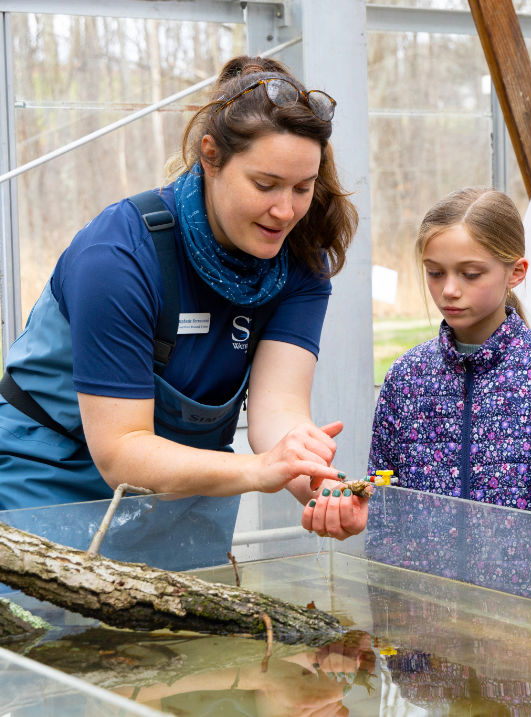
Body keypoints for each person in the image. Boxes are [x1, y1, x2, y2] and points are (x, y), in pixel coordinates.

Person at [0, 56, 367, 543]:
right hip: (52, 484)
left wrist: (313, 481)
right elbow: (122, 454)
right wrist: (261, 470)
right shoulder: (117, 256)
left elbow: (278, 408)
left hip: (186, 489)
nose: (286, 211)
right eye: (265, 185)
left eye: (303, 187)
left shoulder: (299, 258)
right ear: (210, 156)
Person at [369, 187, 531, 514]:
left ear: (516, 272)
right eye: (435, 273)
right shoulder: (406, 378)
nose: (449, 290)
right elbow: (383, 500)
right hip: (415, 568)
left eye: (471, 274)